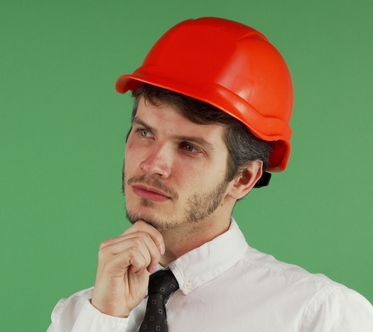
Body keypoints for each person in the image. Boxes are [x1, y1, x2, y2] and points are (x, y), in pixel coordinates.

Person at [47, 17, 373, 331]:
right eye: (145, 132)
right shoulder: (79, 316)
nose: (152, 164)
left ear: (243, 178)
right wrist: (104, 319)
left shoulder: (318, 316)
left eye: (189, 147)